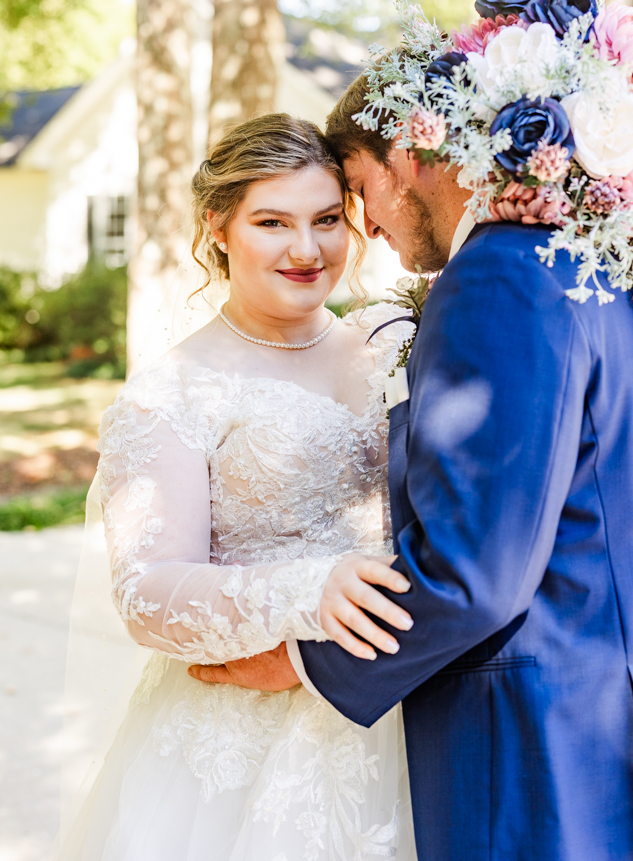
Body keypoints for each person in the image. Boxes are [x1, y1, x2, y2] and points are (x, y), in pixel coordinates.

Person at [198, 0, 633, 858]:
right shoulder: (587, 264)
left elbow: (475, 569)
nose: (361, 227)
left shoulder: (493, 277)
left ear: (412, 148)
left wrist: (299, 661)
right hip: (608, 713)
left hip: (531, 750)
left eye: (357, 190)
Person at [55, 113, 419, 861]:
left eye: (326, 219)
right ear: (217, 226)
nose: (306, 249)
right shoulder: (175, 389)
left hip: (411, 704)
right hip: (247, 744)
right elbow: (146, 594)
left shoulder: (396, 344)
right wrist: (309, 593)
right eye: (271, 222)